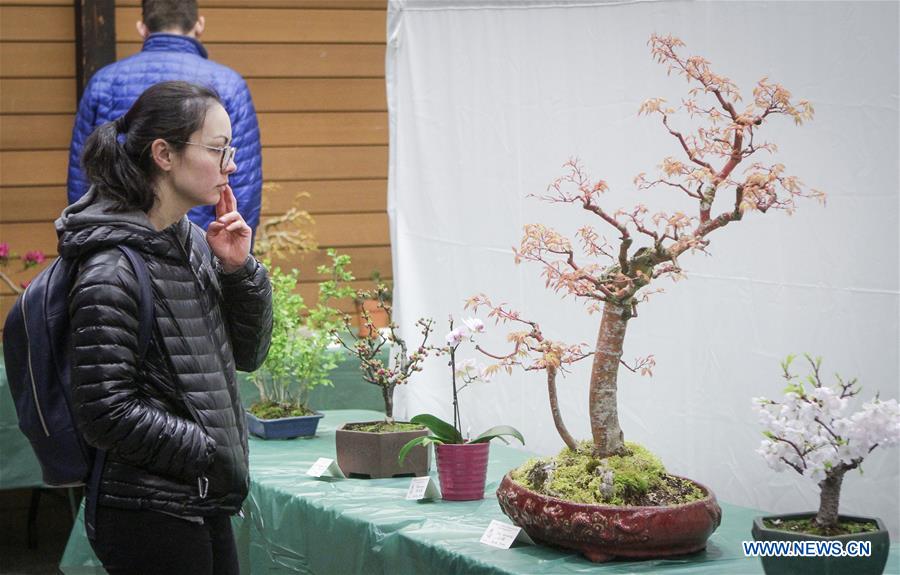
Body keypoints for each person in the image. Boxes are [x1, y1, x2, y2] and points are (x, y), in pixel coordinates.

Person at [57, 80, 272, 575]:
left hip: (200, 496)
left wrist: (241, 272)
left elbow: (248, 354)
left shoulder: (194, 242)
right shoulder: (110, 270)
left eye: (230, 150)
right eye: (218, 150)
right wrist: (205, 447)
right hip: (147, 512)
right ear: (164, 154)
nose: (232, 166)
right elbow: (104, 412)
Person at [66, 0, 263, 236]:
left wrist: (90, 244)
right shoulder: (228, 85)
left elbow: (83, 179)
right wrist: (225, 262)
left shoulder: (104, 81)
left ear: (142, 28)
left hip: (116, 240)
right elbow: (244, 188)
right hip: (201, 251)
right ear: (199, 25)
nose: (229, 164)